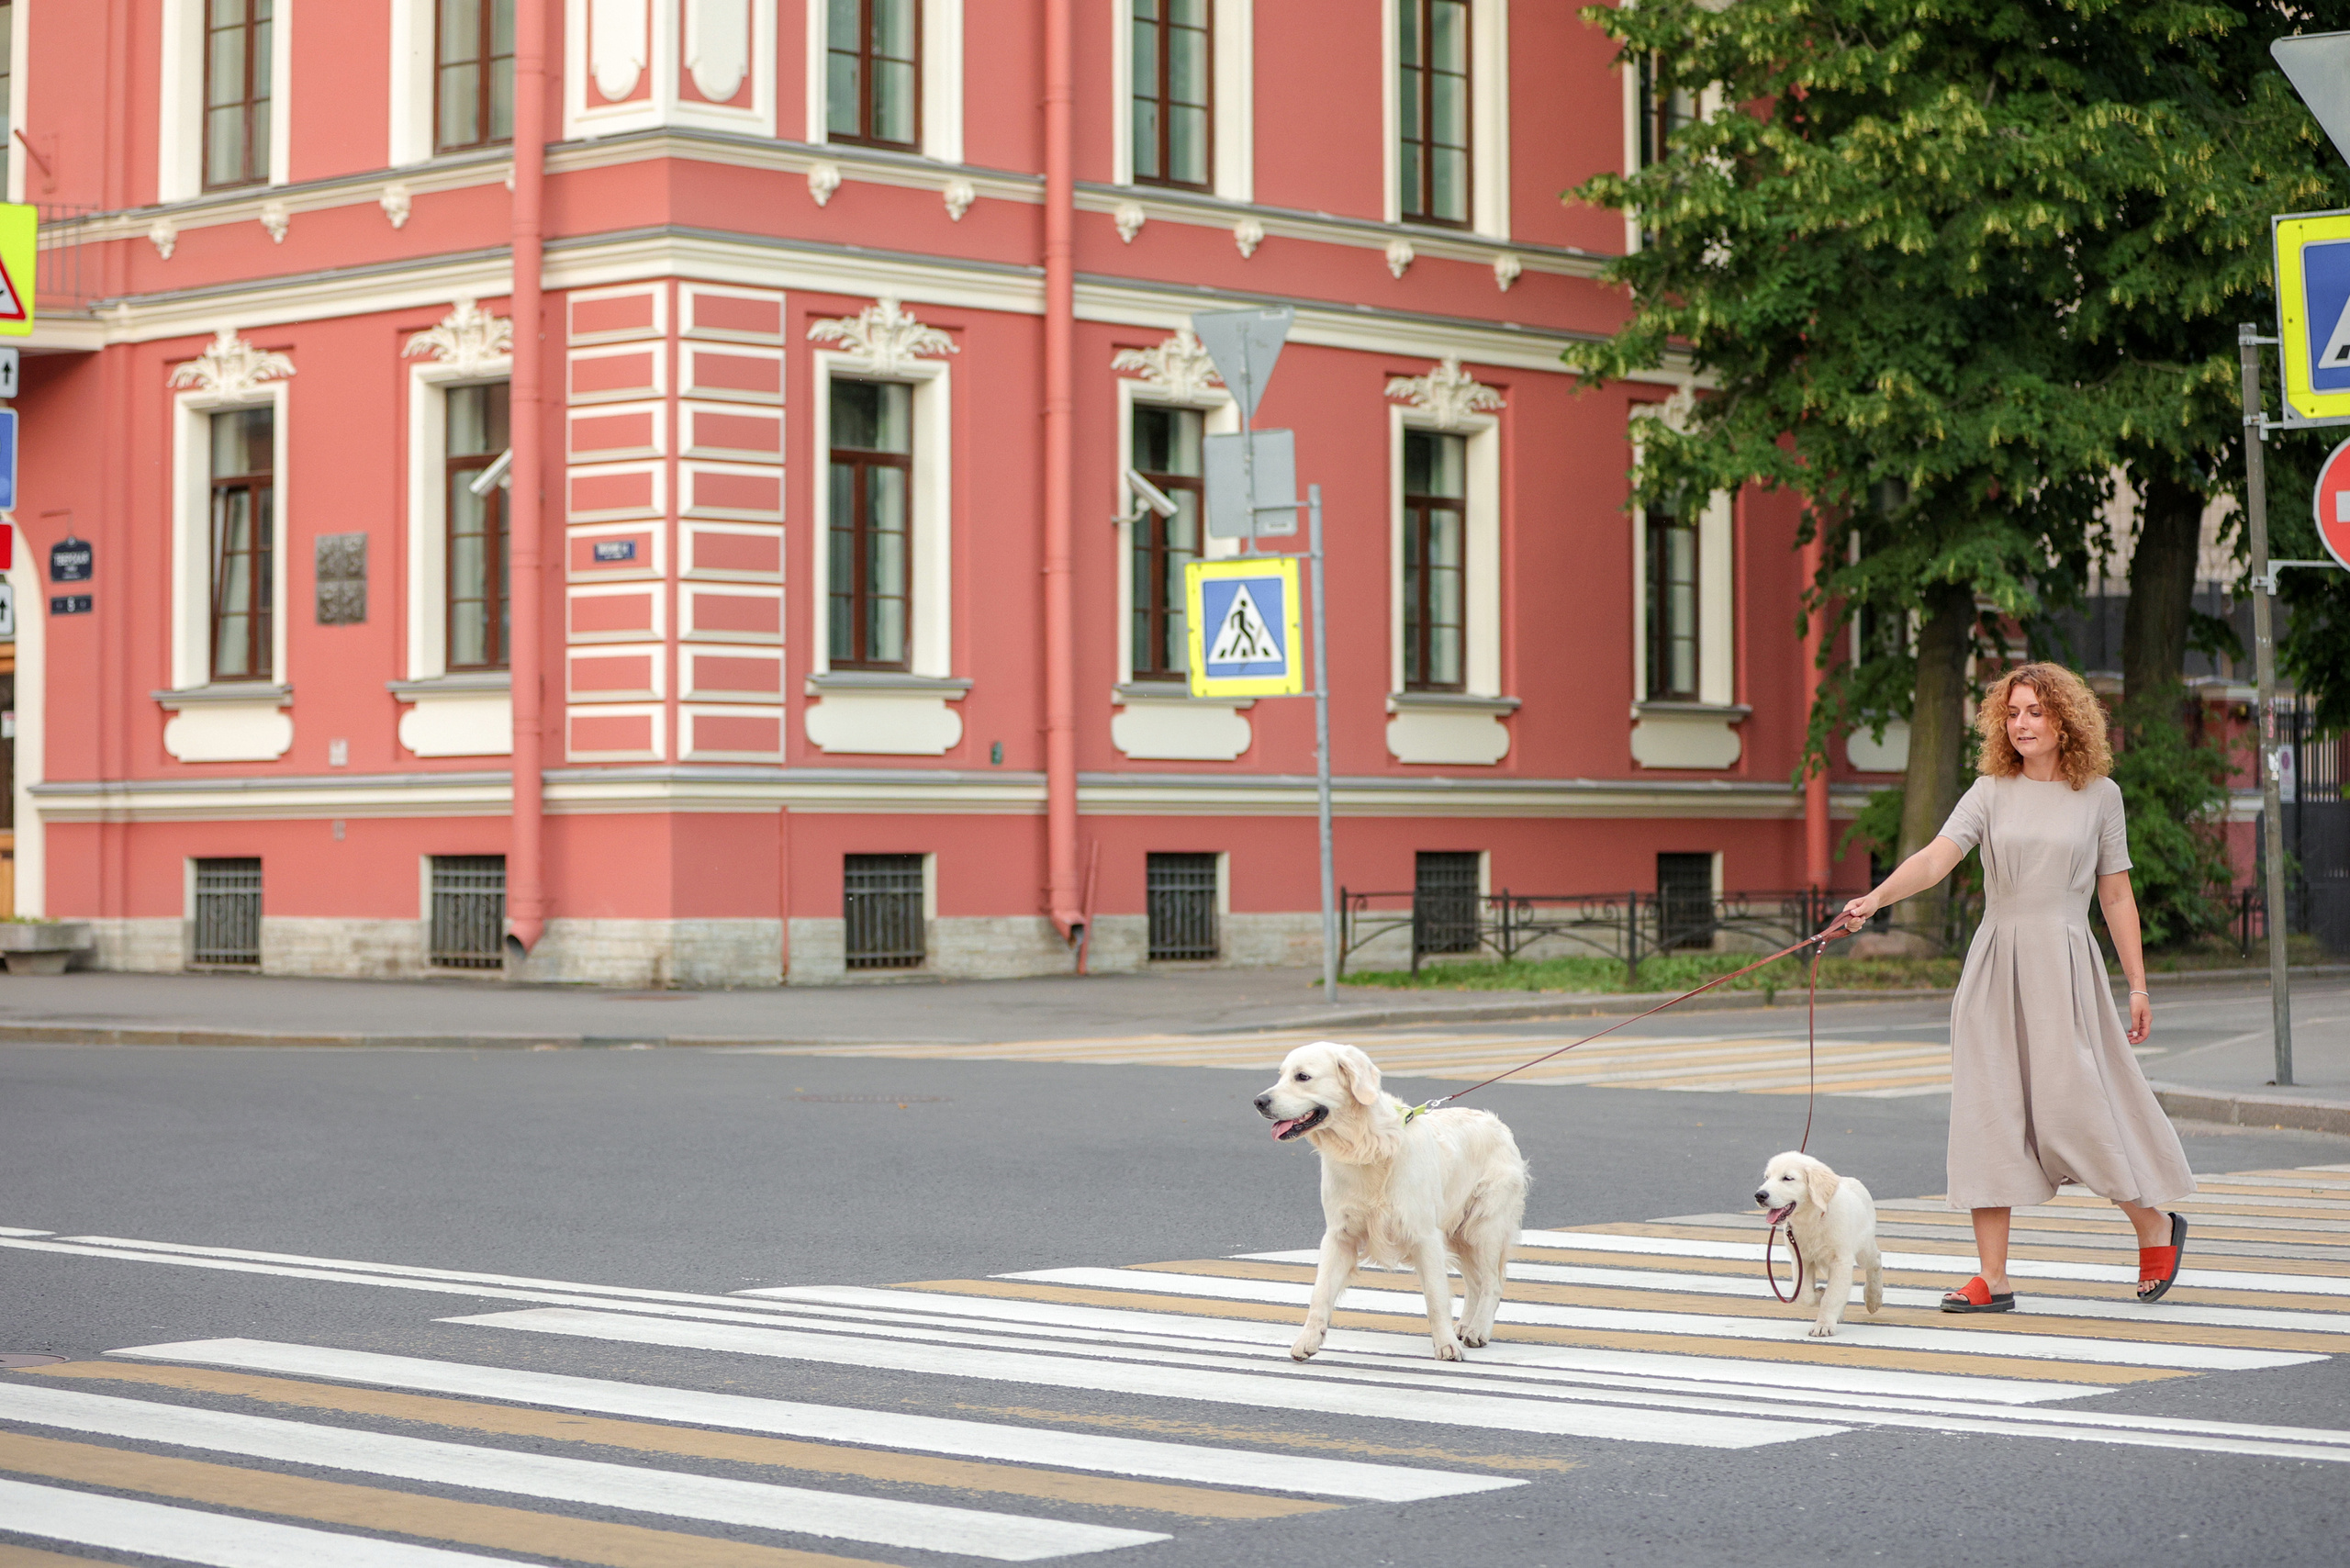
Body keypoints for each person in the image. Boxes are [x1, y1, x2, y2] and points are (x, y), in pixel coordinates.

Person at [1836, 662, 2195, 1311]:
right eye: (2012, 712)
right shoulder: (1989, 790)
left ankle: (2153, 1224)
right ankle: (1993, 1278)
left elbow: (2116, 894)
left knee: (2071, 1106)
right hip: (1995, 963)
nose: (2022, 723)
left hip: (2063, 965)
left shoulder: (2100, 796)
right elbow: (1938, 857)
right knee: (1988, 1113)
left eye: (2035, 711)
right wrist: (1876, 898)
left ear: (2065, 720)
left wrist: (2138, 985)